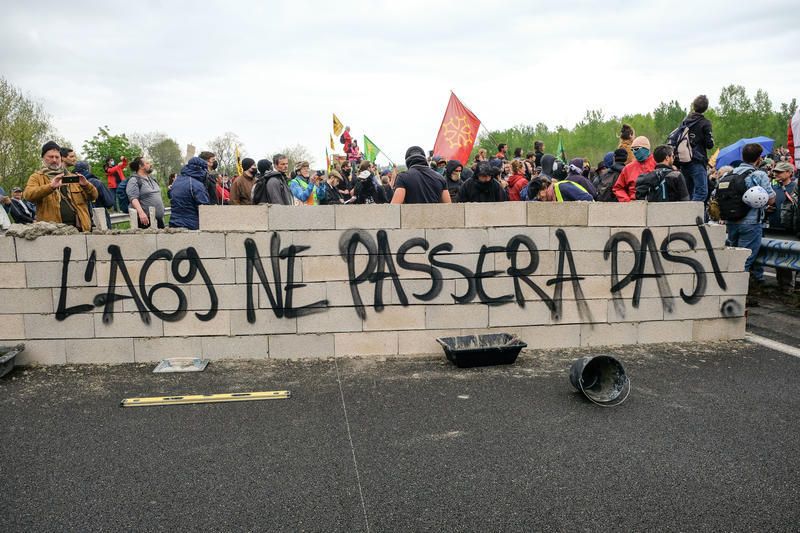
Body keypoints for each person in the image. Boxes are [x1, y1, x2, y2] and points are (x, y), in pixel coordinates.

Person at [723, 143, 775, 290]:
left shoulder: (730, 173)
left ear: (742, 157)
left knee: (732, 259)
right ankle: (737, 295)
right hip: (751, 223)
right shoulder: (759, 174)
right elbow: (770, 198)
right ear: (759, 159)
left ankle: (726, 290)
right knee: (744, 260)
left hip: (731, 221)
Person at [23, 140, 98, 231]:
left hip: (79, 229)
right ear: (43, 158)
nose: (54, 160)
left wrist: (86, 185)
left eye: (57, 157)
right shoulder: (37, 177)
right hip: (54, 231)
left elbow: (94, 196)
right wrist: (50, 187)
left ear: (61, 158)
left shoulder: (73, 176)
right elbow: (28, 195)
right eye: (50, 157)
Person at [673, 94, 715, 202]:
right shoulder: (705, 123)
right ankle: (694, 216)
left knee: (688, 192)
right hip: (697, 160)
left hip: (684, 160)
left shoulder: (684, 122)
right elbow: (709, 144)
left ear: (694, 105)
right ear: (706, 108)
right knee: (701, 192)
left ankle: (686, 215)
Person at [168, 156, 211, 229]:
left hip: (174, 223)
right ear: (200, 169)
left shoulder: (177, 181)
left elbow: (170, 195)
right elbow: (204, 207)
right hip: (191, 225)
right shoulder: (196, 185)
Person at [613, 136, 655, 202]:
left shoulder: (657, 163)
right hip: (634, 205)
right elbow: (618, 188)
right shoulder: (628, 168)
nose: (634, 152)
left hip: (655, 205)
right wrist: (627, 201)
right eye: (632, 150)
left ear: (646, 148)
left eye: (636, 149)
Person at [127, 157, 166, 229]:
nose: (150, 165)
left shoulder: (153, 179)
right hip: (145, 220)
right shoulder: (134, 180)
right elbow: (133, 198)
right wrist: (141, 213)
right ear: (140, 166)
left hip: (159, 220)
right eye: (147, 163)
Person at [75, 161, 114, 228]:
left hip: (81, 220)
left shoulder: (72, 183)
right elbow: (109, 202)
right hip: (100, 219)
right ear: (88, 169)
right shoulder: (96, 182)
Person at [769, 161, 797, 230]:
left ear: (789, 172)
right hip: (773, 228)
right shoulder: (772, 188)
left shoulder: (796, 188)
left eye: (779, 172)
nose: (775, 174)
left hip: (791, 232)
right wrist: (766, 209)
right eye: (775, 172)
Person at [527, 176, 593, 202]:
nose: (538, 197)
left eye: (538, 194)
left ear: (544, 187)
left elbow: (588, 198)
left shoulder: (563, 187)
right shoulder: (550, 197)